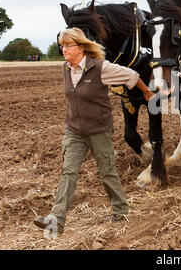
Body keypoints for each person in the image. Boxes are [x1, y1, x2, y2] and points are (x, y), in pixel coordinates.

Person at [33, 27, 155, 234]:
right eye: (62, 46)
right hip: (74, 131)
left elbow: (132, 75)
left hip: (99, 130)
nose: (64, 50)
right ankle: (56, 220)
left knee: (107, 172)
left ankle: (120, 209)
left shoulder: (101, 68)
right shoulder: (66, 68)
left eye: (68, 46)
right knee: (68, 172)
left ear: (81, 47)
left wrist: (147, 92)